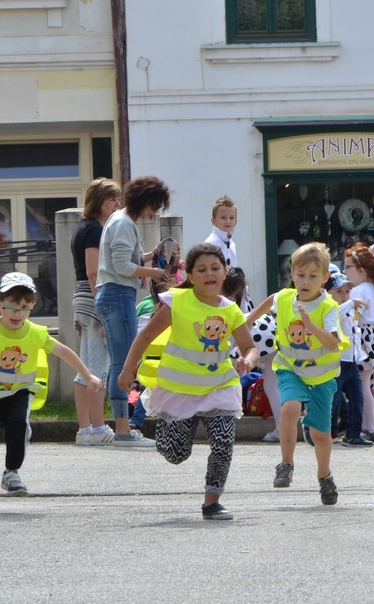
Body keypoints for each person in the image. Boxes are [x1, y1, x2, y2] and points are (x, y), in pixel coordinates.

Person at [117, 244, 259, 519]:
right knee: (175, 453)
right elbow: (144, 337)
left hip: (219, 386)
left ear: (225, 272)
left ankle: (211, 502)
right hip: (179, 389)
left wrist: (248, 361)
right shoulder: (177, 302)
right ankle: (169, 433)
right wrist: (127, 370)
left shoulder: (230, 311)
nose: (209, 274)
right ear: (191, 276)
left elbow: (249, 347)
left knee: (223, 440)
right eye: (202, 269)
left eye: (215, 268)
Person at [0, 273, 101, 511]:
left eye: (24, 307)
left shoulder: (36, 332)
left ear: (31, 306)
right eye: (11, 307)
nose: (17, 314)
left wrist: (88, 374)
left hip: (18, 392)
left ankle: (11, 473)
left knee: (19, 423)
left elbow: (64, 352)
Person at [251, 243, 343, 504]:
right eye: (301, 275)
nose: (306, 281)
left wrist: (311, 325)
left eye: (313, 276)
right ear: (292, 273)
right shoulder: (285, 298)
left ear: (325, 278)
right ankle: (286, 464)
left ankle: (325, 477)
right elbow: (270, 300)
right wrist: (246, 320)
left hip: (322, 377)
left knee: (319, 434)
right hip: (291, 367)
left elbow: (332, 342)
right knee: (290, 408)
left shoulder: (328, 306)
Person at [96, 175, 172, 447]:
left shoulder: (120, 221)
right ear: (146, 201)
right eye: (155, 206)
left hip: (114, 294)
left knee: (122, 360)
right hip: (117, 293)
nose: (154, 212)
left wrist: (151, 256)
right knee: (123, 362)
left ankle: (123, 427)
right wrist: (156, 272)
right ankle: (123, 430)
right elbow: (121, 266)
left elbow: (127, 259)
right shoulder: (124, 223)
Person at [70, 178, 121, 446]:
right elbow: (93, 271)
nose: (117, 204)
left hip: (83, 298)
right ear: (99, 201)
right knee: (99, 369)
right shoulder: (93, 230)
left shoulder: (86, 227)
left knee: (86, 368)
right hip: (93, 298)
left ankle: (85, 429)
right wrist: (103, 306)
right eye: (112, 199)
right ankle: (99, 428)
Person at [344, 243, 374, 443]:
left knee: (362, 384)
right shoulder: (370, 288)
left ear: (361, 270)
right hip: (371, 337)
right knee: (369, 384)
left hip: (362, 336)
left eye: (348, 267)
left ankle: (369, 426)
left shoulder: (359, 291)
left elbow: (354, 316)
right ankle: (371, 424)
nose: (345, 271)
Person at [326, 271, 371, 447]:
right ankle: (328, 433)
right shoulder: (330, 309)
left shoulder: (348, 308)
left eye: (347, 292)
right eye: (339, 292)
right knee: (334, 400)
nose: (344, 296)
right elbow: (334, 313)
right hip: (336, 360)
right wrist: (352, 302)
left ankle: (353, 434)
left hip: (350, 361)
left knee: (357, 398)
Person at [203, 196, 241, 271]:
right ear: (213, 221)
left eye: (231, 218)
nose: (228, 221)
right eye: (223, 217)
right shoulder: (211, 244)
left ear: (235, 222)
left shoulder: (231, 243)